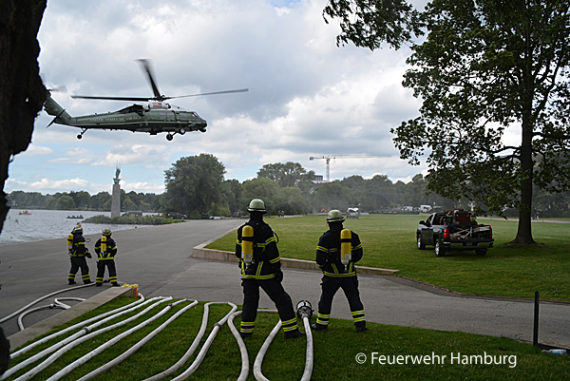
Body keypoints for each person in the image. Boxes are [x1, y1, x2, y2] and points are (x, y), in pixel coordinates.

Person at [235, 199, 303, 339]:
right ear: (262, 213)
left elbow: (238, 252)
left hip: (247, 273)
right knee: (282, 300)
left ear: (250, 212)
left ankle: (245, 332)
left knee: (250, 301)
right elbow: (273, 253)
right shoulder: (265, 230)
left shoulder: (242, 230)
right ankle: (291, 331)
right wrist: (277, 270)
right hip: (265, 274)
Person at [312, 210, 367, 332]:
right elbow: (359, 255)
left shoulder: (326, 238)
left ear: (329, 223)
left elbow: (319, 259)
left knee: (326, 299)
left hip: (331, 276)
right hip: (349, 275)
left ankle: (321, 324)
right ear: (342, 222)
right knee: (354, 299)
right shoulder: (352, 235)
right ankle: (360, 325)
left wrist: (325, 266)